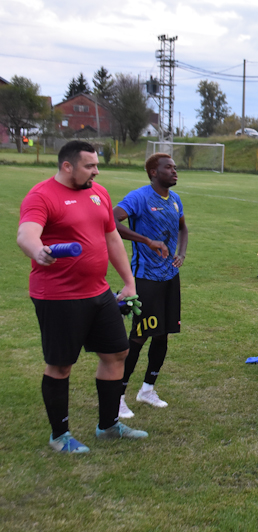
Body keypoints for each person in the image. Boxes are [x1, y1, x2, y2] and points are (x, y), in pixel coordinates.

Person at [17, 140, 148, 453]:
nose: (96, 171)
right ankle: (59, 436)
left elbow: (112, 237)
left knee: (116, 353)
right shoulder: (42, 195)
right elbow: (26, 234)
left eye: (96, 165)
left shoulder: (98, 192)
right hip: (58, 296)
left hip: (98, 292)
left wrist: (129, 282)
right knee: (61, 365)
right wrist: (38, 251)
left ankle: (108, 426)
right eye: (89, 166)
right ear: (67, 166)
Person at [113, 153, 189, 418]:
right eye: (169, 167)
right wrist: (146, 241)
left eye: (175, 167)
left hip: (170, 277)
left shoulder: (175, 199)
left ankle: (147, 389)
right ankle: (118, 396)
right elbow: (112, 221)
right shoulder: (139, 197)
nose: (174, 171)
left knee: (162, 334)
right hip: (145, 278)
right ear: (153, 172)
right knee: (139, 335)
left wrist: (181, 253)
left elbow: (183, 229)